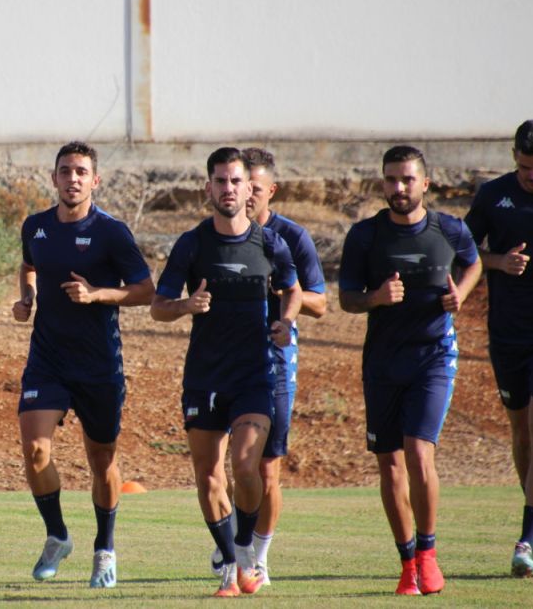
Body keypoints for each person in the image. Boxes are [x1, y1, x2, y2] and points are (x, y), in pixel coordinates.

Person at [151, 146, 301, 597]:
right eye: (220, 181)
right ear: (208, 188)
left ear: (247, 187)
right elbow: (158, 308)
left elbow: (293, 291)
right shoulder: (192, 243)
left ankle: (245, 553)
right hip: (204, 376)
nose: (229, 189)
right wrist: (186, 306)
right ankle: (231, 567)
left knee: (245, 465)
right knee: (208, 476)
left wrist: (286, 323)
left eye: (236, 181)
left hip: (255, 374)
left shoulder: (270, 242)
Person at [339, 145, 481, 595]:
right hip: (382, 361)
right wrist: (375, 298)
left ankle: (428, 553)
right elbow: (347, 298)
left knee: (420, 452)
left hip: (433, 355)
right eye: (391, 180)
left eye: (407, 179)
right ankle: (406, 563)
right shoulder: (365, 236)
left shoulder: (449, 229)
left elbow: (474, 262)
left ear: (426, 183)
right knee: (391, 465)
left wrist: (460, 291)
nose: (398, 188)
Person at [12, 141, 154, 589]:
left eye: (81, 172)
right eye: (65, 170)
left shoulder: (112, 232)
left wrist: (97, 295)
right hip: (48, 359)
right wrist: (28, 296)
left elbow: (145, 290)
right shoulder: (35, 227)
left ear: (95, 180)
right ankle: (57, 536)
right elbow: (29, 265)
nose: (72, 178)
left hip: (99, 365)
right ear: (53, 178)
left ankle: (105, 550)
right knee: (35, 451)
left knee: (102, 462)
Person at [209, 148, 327, 585]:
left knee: (265, 469)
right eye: (238, 185)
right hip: (221, 364)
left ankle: (257, 556)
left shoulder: (289, 238)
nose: (244, 195)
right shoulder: (216, 237)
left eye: (254, 189)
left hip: (273, 364)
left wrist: (285, 299)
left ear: (268, 191)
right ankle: (231, 547)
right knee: (218, 466)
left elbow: (320, 301)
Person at [464, 119, 533, 577]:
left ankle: (527, 538)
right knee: (522, 435)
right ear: (514, 157)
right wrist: (498, 261)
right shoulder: (493, 196)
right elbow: (464, 250)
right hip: (508, 334)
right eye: (528, 168)